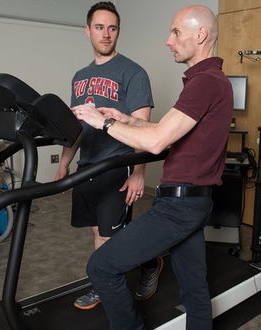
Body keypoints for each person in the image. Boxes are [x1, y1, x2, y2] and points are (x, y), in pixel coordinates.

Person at [72, 4, 233, 330]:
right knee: (194, 289)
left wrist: (101, 123)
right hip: (194, 202)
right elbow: (169, 131)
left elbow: (158, 141)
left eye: (175, 32)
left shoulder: (205, 83)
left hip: (179, 206)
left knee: (101, 267)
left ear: (200, 35)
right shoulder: (209, 81)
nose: (168, 40)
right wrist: (126, 118)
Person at [55, 1, 163, 310]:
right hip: (86, 165)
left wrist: (139, 172)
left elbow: (143, 127)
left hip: (118, 165)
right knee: (100, 231)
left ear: (118, 32)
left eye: (112, 28)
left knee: (109, 234)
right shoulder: (79, 77)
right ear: (87, 31)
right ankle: (146, 263)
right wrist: (64, 163)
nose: (106, 34)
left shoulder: (133, 72)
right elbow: (74, 127)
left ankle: (104, 286)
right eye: (99, 27)